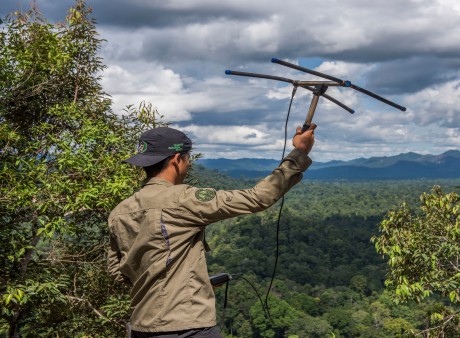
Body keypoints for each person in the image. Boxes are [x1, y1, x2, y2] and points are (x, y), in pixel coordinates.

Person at [108, 124, 316, 337]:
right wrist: (299, 153)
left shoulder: (119, 212)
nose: (189, 165)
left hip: (141, 328)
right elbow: (257, 197)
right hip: (187, 328)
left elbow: (118, 272)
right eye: (188, 159)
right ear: (176, 160)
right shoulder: (183, 199)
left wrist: (180, 283)